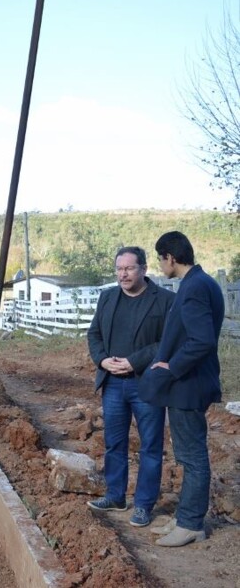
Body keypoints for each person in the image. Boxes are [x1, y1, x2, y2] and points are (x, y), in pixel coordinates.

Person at [139, 231, 224, 547]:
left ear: (170, 258)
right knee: (188, 454)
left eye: (161, 260)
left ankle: (190, 523)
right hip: (188, 383)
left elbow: (201, 340)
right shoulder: (202, 283)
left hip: (189, 384)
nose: (161, 266)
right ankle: (186, 517)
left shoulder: (194, 288)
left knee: (192, 456)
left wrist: (172, 366)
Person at [86, 246, 175, 528]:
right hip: (112, 383)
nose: (123, 274)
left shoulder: (164, 300)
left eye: (129, 268)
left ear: (144, 269)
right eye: (119, 269)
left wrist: (133, 362)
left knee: (150, 446)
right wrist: (102, 361)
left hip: (146, 385)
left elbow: (167, 342)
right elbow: (94, 333)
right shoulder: (107, 297)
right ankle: (115, 496)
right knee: (114, 443)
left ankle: (144, 505)